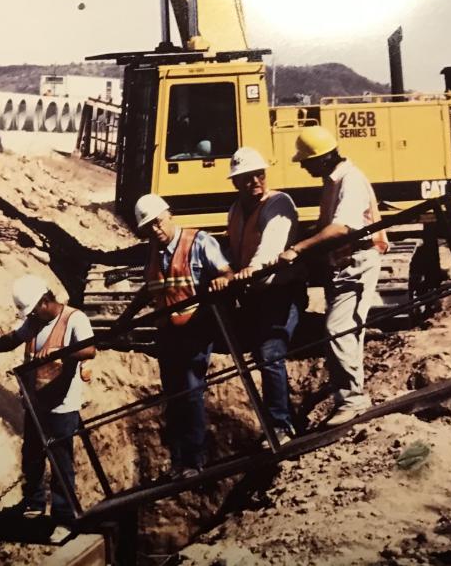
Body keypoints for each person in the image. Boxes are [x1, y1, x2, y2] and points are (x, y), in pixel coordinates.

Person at [278, 126, 389, 427]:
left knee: (338, 328)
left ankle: (353, 400)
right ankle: (350, 395)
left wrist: (298, 249)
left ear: (323, 158)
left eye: (307, 160)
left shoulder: (349, 181)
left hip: (357, 262)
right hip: (342, 264)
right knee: (345, 329)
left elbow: (342, 228)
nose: (302, 165)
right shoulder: (334, 180)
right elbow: (326, 226)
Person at [0, 274, 95, 540]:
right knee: (32, 456)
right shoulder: (35, 322)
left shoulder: (74, 319)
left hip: (61, 406)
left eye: (35, 309)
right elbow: (14, 339)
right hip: (36, 403)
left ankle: (65, 520)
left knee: (61, 464)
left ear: (45, 300)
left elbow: (89, 350)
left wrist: (60, 352)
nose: (33, 315)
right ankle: (34, 504)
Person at [117, 194, 232, 479]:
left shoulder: (200, 242)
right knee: (174, 396)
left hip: (195, 329)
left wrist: (222, 279)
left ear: (169, 215)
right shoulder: (154, 251)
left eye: (157, 222)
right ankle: (178, 461)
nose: (155, 230)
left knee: (192, 391)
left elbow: (226, 271)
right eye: (148, 227)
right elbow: (151, 287)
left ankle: (195, 460)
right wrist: (126, 318)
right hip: (167, 333)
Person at [226, 147, 303, 444]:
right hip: (255, 294)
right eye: (247, 177)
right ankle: (275, 421)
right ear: (236, 182)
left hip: (280, 291)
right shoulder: (235, 210)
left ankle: (281, 426)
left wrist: (252, 269)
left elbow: (272, 244)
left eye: (259, 175)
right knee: (259, 355)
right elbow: (234, 249)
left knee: (271, 354)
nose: (255, 181)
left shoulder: (278, 203)